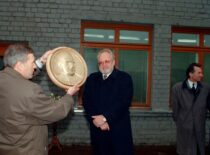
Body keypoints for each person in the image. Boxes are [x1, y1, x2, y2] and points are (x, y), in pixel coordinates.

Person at [0, 44, 79, 155]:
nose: (34, 66)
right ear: (19, 65)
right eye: (32, 62)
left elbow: (20, 78)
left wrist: (41, 61)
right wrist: (69, 95)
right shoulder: (30, 90)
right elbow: (55, 111)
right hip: (26, 149)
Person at [83, 48, 134, 155]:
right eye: (100, 62)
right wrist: (96, 121)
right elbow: (86, 102)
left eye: (107, 61)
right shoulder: (92, 79)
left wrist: (105, 118)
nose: (104, 65)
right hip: (97, 131)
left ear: (114, 62)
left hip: (118, 131)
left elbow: (124, 103)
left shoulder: (124, 78)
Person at [171, 62, 210, 155]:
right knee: (185, 151)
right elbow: (175, 109)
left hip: (199, 126)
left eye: (202, 72)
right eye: (199, 73)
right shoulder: (177, 88)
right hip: (184, 126)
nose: (202, 75)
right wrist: (181, 121)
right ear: (191, 74)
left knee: (198, 150)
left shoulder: (206, 88)